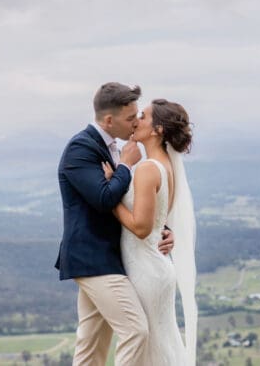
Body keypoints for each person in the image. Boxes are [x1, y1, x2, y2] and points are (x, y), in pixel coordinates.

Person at [55, 82, 174, 366]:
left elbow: (132, 203)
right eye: (130, 118)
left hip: (111, 258)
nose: (135, 123)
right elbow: (104, 199)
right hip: (92, 258)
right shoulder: (80, 148)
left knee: (92, 343)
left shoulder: (112, 147)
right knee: (135, 331)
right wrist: (125, 166)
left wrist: (163, 230)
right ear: (109, 120)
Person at [104, 98, 197, 366]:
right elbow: (158, 220)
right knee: (160, 347)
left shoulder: (146, 169)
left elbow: (142, 228)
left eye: (143, 117)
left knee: (148, 351)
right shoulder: (166, 165)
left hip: (145, 270)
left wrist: (111, 196)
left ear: (157, 130)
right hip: (156, 267)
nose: (136, 121)